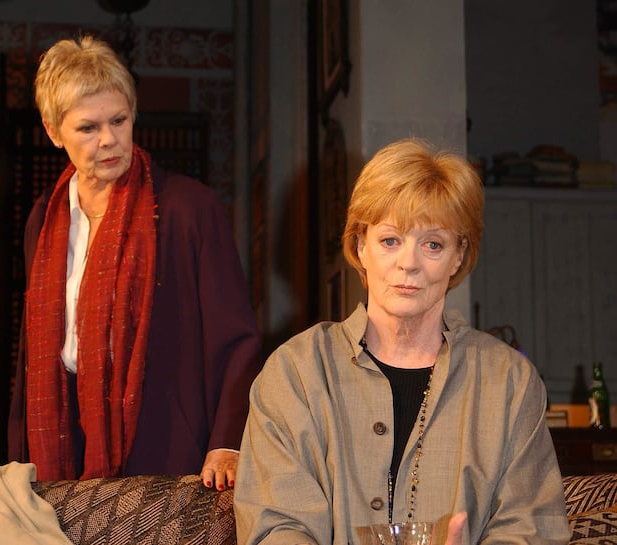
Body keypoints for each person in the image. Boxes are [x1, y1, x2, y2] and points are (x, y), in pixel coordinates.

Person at [233, 138, 570, 545]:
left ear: (458, 256)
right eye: (390, 240)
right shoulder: (295, 373)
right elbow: (277, 527)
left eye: (433, 244)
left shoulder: (509, 382)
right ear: (360, 245)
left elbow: (531, 529)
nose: (408, 263)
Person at [7, 34, 262, 491]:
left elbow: (236, 337)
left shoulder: (188, 208)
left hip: (167, 443)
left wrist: (228, 441)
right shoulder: (43, 220)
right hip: (64, 440)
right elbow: (33, 352)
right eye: (88, 128)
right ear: (52, 130)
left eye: (119, 121)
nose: (108, 140)